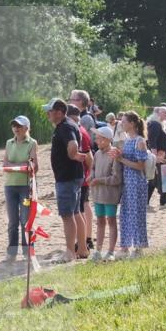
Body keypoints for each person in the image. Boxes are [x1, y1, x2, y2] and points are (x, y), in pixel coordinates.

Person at [43, 98, 90, 263]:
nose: (47, 114)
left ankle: (70, 252)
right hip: (74, 176)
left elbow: (72, 144)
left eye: (50, 111)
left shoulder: (65, 126)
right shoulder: (68, 124)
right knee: (76, 213)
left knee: (67, 216)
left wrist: (73, 154)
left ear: (59, 112)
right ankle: (82, 249)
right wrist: (75, 155)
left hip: (67, 177)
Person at [110, 111, 149, 257]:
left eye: (124, 121)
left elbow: (140, 166)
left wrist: (121, 159)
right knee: (126, 213)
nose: (122, 124)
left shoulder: (140, 141)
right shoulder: (127, 140)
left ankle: (138, 248)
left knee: (137, 214)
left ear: (132, 123)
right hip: (127, 181)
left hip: (137, 182)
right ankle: (125, 247)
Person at [3, 115, 38, 261]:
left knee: (25, 220)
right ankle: (11, 253)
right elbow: (5, 165)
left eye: (19, 126)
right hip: (10, 186)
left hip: (25, 186)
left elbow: (33, 167)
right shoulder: (9, 143)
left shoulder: (32, 143)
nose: (16, 128)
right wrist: (19, 166)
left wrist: (15, 166)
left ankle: (27, 252)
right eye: (14, 126)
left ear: (26, 128)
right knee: (12, 221)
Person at [89, 125, 122, 260]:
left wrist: (99, 180)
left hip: (110, 195)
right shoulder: (97, 153)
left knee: (111, 221)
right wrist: (91, 176)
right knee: (100, 221)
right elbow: (93, 168)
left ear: (108, 140)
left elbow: (117, 178)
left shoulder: (114, 153)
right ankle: (98, 251)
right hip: (98, 195)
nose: (97, 141)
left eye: (100, 139)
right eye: (96, 138)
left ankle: (111, 251)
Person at [66, 104, 93, 257]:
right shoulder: (80, 130)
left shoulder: (78, 131)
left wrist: (89, 174)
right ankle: (85, 241)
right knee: (83, 207)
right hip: (82, 177)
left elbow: (89, 157)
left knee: (79, 210)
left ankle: (83, 242)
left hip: (80, 178)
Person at [146, 106, 166, 208]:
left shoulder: (158, 124)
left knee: (154, 180)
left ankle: (146, 201)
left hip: (161, 155)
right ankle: (164, 201)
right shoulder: (155, 124)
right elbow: (152, 142)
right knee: (163, 178)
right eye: (164, 112)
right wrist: (155, 157)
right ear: (157, 113)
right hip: (159, 156)